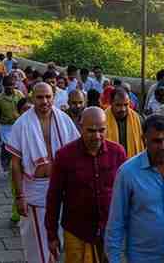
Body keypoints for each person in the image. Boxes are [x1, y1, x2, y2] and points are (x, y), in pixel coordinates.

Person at [105, 114, 164, 263]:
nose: (163, 146)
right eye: (157, 141)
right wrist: (115, 259)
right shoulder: (128, 173)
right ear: (144, 140)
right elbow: (116, 223)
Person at [7, 82, 80, 263]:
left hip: (61, 186)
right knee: (36, 240)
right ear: (32, 98)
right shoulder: (22, 123)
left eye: (48, 97)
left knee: (58, 236)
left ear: (53, 97)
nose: (44, 101)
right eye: (40, 97)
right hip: (35, 187)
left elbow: (76, 153)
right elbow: (15, 164)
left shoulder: (63, 119)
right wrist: (19, 196)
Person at [45, 107, 126, 263]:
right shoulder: (65, 155)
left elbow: (127, 194)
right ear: (80, 127)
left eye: (101, 130)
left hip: (108, 231)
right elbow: (54, 197)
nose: (97, 136)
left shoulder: (118, 153)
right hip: (76, 230)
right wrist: (52, 235)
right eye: (91, 130)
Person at [105, 87, 145, 159]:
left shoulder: (138, 119)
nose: (122, 109)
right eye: (118, 105)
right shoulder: (103, 119)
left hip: (133, 164)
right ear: (111, 103)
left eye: (126, 105)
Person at [0, 77, 24, 173]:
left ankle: (18, 165)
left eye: (12, 86)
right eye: (7, 87)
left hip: (17, 125)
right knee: (6, 147)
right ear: (4, 87)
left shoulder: (19, 95)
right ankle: (5, 164)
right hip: (5, 126)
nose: (10, 89)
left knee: (18, 147)